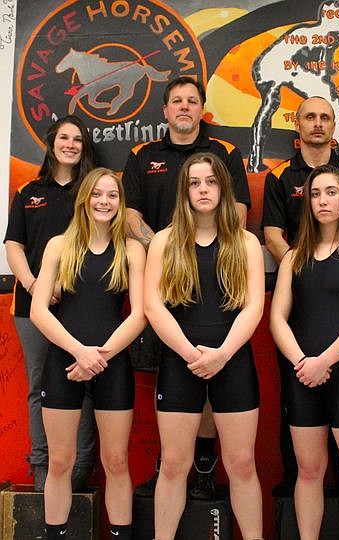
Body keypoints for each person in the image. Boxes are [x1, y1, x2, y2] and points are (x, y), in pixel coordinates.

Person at [122, 75, 251, 498]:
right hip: (166, 284)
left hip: (217, 281)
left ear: (202, 109)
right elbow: (129, 217)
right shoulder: (143, 155)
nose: (184, 107)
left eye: (191, 101)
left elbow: (238, 212)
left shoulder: (224, 154)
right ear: (165, 110)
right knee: (172, 374)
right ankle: (171, 463)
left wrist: (197, 253)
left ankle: (204, 464)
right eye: (176, 101)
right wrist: (171, 250)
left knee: (215, 378)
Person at [144, 152, 264, 540]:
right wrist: (189, 354)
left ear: (223, 188)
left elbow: (254, 306)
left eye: (210, 181)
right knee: (175, 464)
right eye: (195, 183)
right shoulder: (164, 241)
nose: (203, 189)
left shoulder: (245, 242)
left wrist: (223, 354)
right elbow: (153, 306)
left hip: (233, 360)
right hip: (182, 362)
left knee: (242, 464)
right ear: (185, 191)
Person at [262, 95, 339, 491]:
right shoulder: (279, 177)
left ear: (334, 124)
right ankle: (296, 486)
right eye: (309, 117)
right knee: (297, 414)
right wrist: (301, 264)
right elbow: (272, 234)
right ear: (298, 124)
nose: (317, 123)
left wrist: (333, 261)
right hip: (298, 304)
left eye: (325, 117)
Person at [30, 168, 146, 540]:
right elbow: (38, 311)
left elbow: (141, 314)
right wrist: (79, 352)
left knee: (116, 462)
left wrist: (101, 357)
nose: (104, 202)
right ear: (84, 199)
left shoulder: (131, 250)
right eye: (97, 194)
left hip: (112, 365)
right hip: (65, 362)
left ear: (120, 202)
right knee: (60, 461)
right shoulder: (59, 246)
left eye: (112, 195)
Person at [270, 164, 339, 540]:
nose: (322, 200)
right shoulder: (294, 255)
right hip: (302, 375)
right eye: (315, 193)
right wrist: (304, 364)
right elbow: (277, 320)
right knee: (309, 471)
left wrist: (324, 362)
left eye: (331, 192)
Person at [4, 115, 97, 492]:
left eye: (77, 139)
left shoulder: (93, 192)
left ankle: (79, 470)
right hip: (32, 308)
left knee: (85, 383)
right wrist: (34, 283)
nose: (70, 145)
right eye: (64, 138)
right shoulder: (29, 191)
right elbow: (14, 246)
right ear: (52, 143)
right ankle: (41, 469)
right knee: (39, 385)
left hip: (82, 306)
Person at [248, 0, 339, 172]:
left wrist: (324, 80)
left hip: (291, 69)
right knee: (270, 105)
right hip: (270, 67)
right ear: (325, 17)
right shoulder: (311, 34)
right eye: (335, 16)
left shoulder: (330, 37)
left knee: (335, 106)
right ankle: (255, 157)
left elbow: (323, 69)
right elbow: (316, 68)